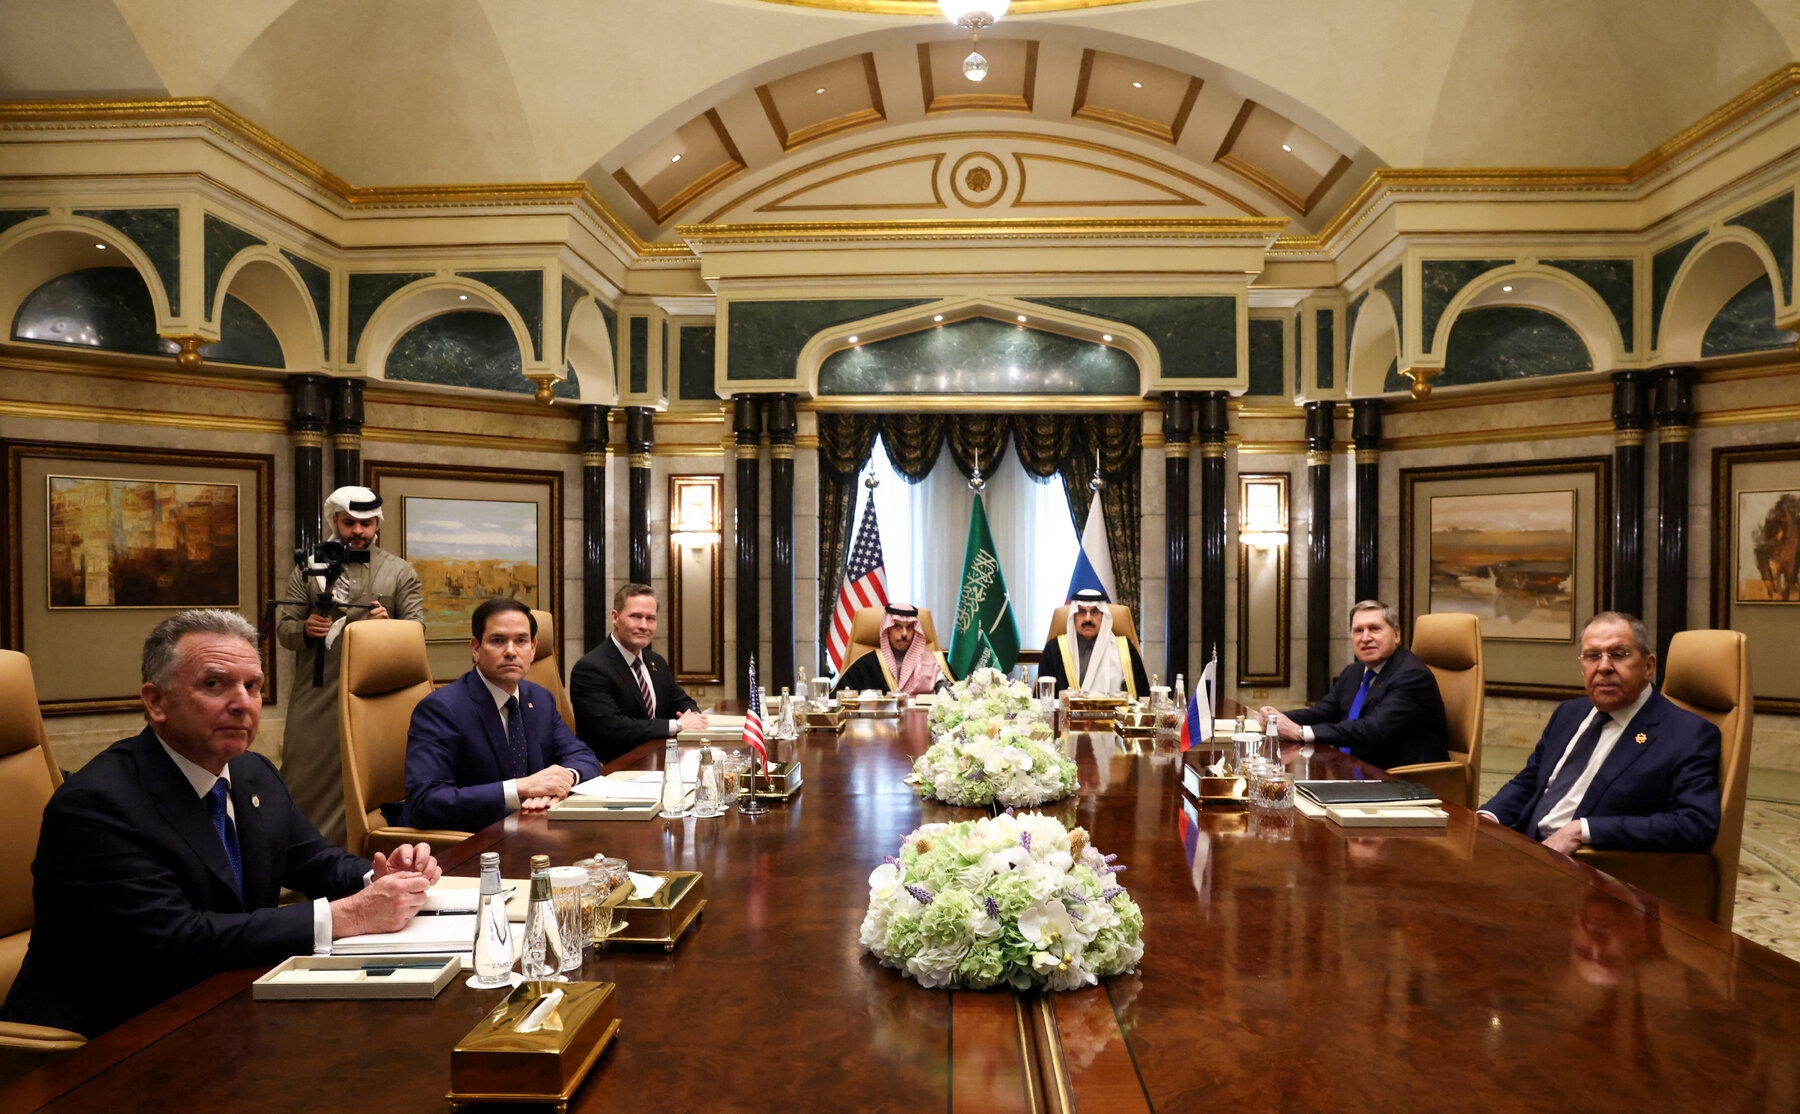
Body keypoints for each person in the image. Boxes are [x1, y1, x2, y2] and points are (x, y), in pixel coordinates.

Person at [2, 610, 440, 1038]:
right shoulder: (97, 805)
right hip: (104, 1041)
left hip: (221, 1008)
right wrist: (348, 915)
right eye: (215, 685)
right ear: (156, 702)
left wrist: (377, 875)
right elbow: (177, 939)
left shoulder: (253, 772)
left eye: (253, 686)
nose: (242, 703)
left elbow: (315, 861)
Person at [1479, 612, 1720, 855]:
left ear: (1648, 666)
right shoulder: (1569, 713)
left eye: (1618, 655)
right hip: (1524, 850)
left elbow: (1695, 824)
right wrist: (1487, 817)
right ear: (1582, 667)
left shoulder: (1687, 733)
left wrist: (1582, 830)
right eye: (1592, 656)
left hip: (1591, 869)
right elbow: (1531, 781)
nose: (1604, 666)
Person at [274, 485, 423, 847]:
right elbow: (283, 628)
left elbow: (416, 631)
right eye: (349, 522)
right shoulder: (306, 569)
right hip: (318, 693)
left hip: (378, 699)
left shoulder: (400, 572)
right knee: (304, 776)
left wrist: (389, 626)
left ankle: (365, 862)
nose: (358, 531)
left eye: (366, 523)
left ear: (377, 525)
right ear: (335, 522)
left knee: (373, 779)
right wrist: (306, 629)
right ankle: (304, 866)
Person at [401, 597, 602, 832]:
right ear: (475, 648)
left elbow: (584, 757)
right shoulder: (442, 709)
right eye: (498, 641)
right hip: (471, 841)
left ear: (533, 647)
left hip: (531, 830)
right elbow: (425, 801)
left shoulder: (540, 699)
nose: (510, 651)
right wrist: (520, 789)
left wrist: (562, 780)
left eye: (521, 641)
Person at [1259, 600, 1449, 770]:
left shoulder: (1412, 675)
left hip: (1398, 781)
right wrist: (1276, 719)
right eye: (1358, 630)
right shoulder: (1354, 672)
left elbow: (1372, 729)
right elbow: (1320, 713)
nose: (1365, 638)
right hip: (1354, 770)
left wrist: (1299, 732)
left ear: (1396, 635)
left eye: (1374, 629)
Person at [569, 583, 706, 763]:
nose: (643, 625)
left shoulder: (656, 662)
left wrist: (693, 717)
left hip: (659, 761)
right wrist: (677, 725)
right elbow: (613, 728)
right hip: (613, 770)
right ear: (615, 617)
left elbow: (682, 702)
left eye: (650, 618)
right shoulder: (591, 668)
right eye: (635, 616)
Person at [1036, 588, 1149, 698]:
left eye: (1094, 612)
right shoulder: (1054, 650)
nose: (1088, 619)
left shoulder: (1124, 649)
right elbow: (1044, 700)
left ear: (1103, 616)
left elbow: (1142, 697)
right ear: (1074, 616)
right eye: (1081, 612)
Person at [834, 603, 955, 694]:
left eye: (909, 627)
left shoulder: (932, 662)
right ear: (887, 629)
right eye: (897, 627)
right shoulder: (866, 664)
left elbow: (951, 694)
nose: (904, 634)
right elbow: (839, 696)